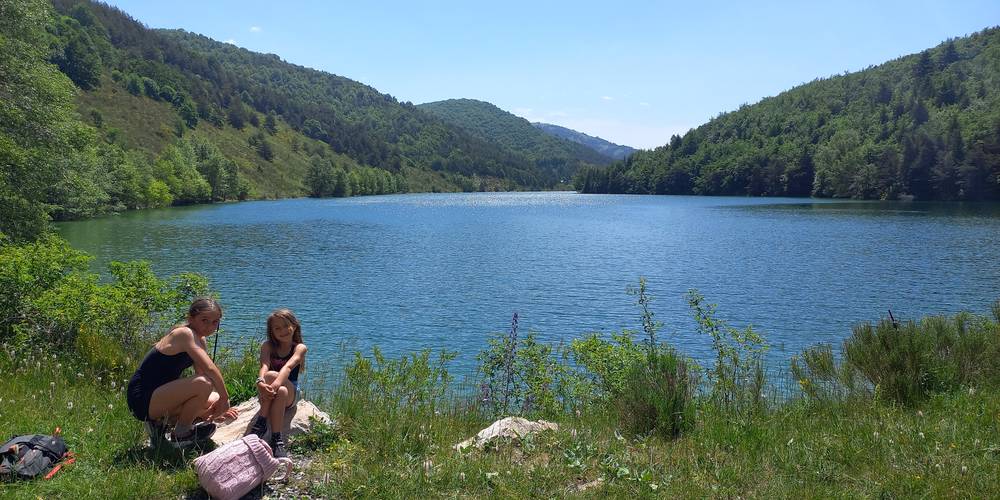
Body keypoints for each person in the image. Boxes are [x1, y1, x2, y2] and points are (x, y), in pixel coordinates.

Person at [126, 298, 239, 446]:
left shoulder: (200, 340)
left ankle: (161, 423)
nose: (210, 326)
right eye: (204, 320)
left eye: (215, 322)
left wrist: (215, 408)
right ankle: (182, 434)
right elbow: (209, 370)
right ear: (190, 318)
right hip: (142, 398)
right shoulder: (184, 334)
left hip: (160, 396)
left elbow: (201, 375)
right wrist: (225, 399)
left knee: (213, 397)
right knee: (205, 384)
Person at [246, 308, 307, 458]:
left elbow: (288, 367)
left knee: (274, 378)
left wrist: (273, 384)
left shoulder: (299, 348)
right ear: (271, 331)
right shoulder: (267, 345)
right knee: (279, 390)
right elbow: (264, 366)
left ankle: (261, 422)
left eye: (286, 326)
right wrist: (260, 382)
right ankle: (277, 439)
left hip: (292, 391)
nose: (283, 331)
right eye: (277, 328)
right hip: (274, 392)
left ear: (294, 325)